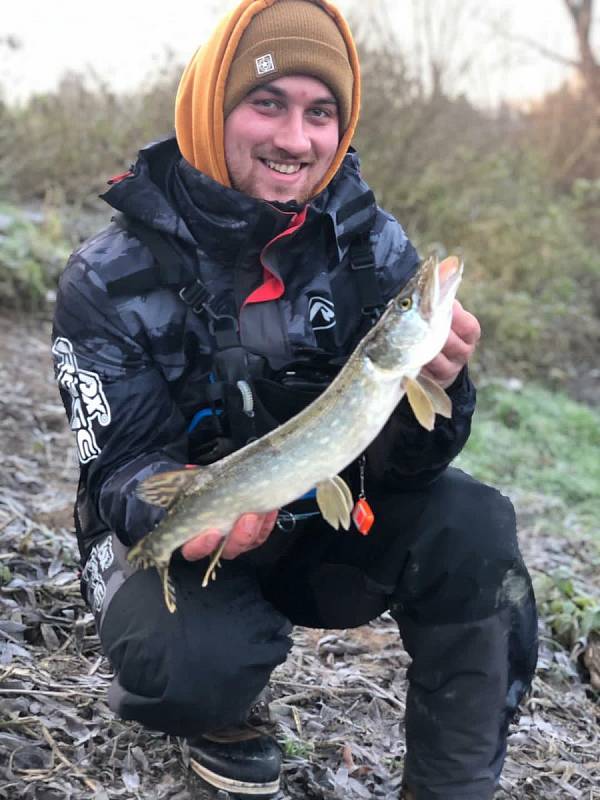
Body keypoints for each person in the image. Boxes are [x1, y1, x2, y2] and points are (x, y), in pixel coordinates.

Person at [52, 1, 538, 798]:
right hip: (198, 532)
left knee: (474, 525)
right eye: (267, 102)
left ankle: (453, 786)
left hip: (321, 525)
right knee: (188, 663)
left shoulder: (370, 243)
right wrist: (176, 522)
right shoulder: (108, 278)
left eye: (321, 113)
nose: (295, 139)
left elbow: (407, 461)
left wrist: (443, 383)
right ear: (214, 106)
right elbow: (119, 466)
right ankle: (221, 708)